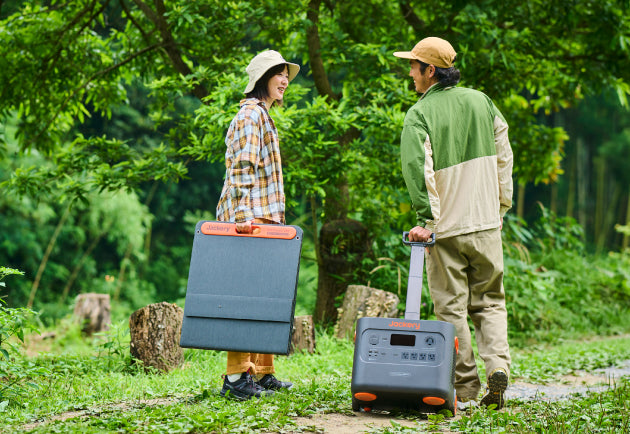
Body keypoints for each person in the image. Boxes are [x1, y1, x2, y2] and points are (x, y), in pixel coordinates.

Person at [393, 37, 514, 409]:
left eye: (414, 66)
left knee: (450, 309)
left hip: (446, 230)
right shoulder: (482, 101)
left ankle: (465, 388)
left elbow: (417, 169)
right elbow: (504, 155)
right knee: (491, 303)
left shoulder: (420, 114)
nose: (410, 72)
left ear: (431, 71)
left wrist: (427, 220)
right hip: (485, 223)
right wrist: (501, 206)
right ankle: (498, 368)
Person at [215, 49, 299, 401]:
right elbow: (242, 169)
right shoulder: (251, 115)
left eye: (286, 74)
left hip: (264, 219)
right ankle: (236, 378)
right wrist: (242, 220)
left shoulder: (262, 115)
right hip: (249, 221)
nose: (284, 80)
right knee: (247, 301)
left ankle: (261, 373)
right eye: (278, 73)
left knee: (265, 300)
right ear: (262, 78)